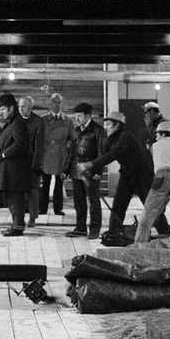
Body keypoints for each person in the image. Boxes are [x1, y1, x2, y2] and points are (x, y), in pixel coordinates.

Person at [79, 111, 168, 244]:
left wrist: (90, 165)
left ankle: (165, 233)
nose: (106, 127)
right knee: (118, 205)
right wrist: (93, 171)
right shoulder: (111, 139)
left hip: (142, 175)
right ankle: (113, 234)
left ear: (117, 125)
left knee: (150, 207)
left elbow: (113, 155)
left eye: (109, 124)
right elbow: (104, 155)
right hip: (127, 174)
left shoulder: (125, 137)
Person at [134, 119, 170, 243]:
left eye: (157, 134)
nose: (156, 137)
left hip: (161, 177)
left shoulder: (154, 146)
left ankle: (140, 243)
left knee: (149, 213)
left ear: (163, 134)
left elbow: (151, 159)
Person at [0, 94, 32, 236]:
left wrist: (4, 154)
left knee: (15, 200)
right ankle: (16, 225)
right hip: (10, 170)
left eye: (3, 109)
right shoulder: (11, 123)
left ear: (10, 108)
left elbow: (20, 144)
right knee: (12, 199)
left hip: (14, 170)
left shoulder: (18, 123)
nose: (1, 112)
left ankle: (18, 227)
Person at [69, 102, 105, 239]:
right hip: (77, 169)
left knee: (93, 201)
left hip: (91, 170)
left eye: (79, 116)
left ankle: (95, 229)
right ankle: (80, 228)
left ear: (88, 116)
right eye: (75, 116)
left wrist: (98, 172)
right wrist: (67, 170)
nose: (76, 119)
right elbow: (71, 151)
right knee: (79, 202)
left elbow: (102, 153)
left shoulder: (98, 130)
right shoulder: (76, 130)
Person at [39, 93, 75, 220]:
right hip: (47, 154)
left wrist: (67, 150)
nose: (56, 104)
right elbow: (39, 137)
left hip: (61, 154)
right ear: (50, 103)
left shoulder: (68, 121)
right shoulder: (43, 120)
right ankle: (42, 208)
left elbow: (72, 138)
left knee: (59, 184)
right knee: (45, 182)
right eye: (54, 102)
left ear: (62, 104)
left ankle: (58, 208)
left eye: (59, 102)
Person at [18, 96, 46, 226]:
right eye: (19, 106)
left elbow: (39, 146)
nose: (21, 109)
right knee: (18, 191)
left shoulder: (38, 121)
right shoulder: (17, 120)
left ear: (30, 107)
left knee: (33, 190)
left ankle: (33, 217)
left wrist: (36, 164)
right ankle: (19, 217)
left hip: (32, 160)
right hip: (18, 161)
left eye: (23, 106)